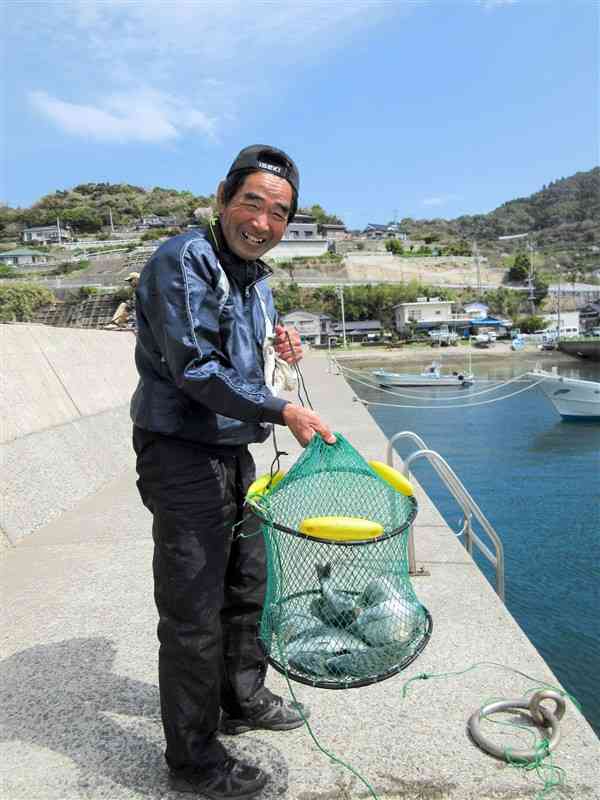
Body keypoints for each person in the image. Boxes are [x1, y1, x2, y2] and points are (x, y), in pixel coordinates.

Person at [130, 145, 335, 799]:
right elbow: (194, 366)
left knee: (248, 585)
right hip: (180, 450)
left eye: (279, 213)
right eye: (252, 203)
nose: (263, 221)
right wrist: (283, 408)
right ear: (223, 198)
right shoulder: (182, 259)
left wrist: (285, 349)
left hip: (231, 449)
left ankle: (242, 698)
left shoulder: (256, 278)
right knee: (193, 610)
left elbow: (247, 353)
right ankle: (191, 758)